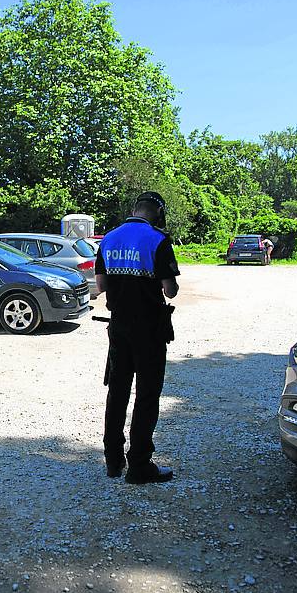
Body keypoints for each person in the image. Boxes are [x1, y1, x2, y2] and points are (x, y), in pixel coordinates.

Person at [95, 191, 180, 484]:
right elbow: (170, 290)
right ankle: (140, 465)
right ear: (157, 213)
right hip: (149, 329)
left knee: (117, 393)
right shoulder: (157, 240)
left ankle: (113, 460)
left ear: (134, 209)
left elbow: (101, 285)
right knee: (146, 396)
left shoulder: (109, 239)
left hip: (118, 328)